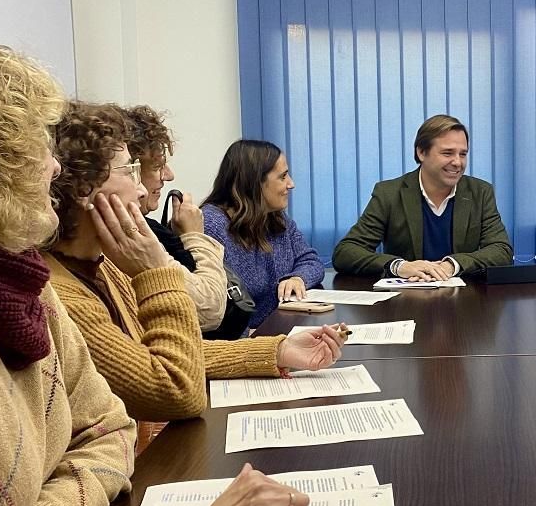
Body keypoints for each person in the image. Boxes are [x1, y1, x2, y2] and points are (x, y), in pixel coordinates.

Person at [0, 30, 311, 506]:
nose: (52, 167)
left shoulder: (26, 288)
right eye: (35, 145)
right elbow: (175, 389)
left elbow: (109, 431)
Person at [48, 103, 345, 421]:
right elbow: (176, 391)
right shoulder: (59, 293)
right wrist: (155, 272)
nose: (140, 187)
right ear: (82, 189)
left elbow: (172, 354)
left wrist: (278, 350)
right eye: (129, 170)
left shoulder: (103, 264)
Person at [332, 114, 513, 279]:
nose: (457, 162)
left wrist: (453, 265)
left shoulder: (480, 192)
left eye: (463, 154)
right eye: (447, 153)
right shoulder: (389, 193)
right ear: (421, 152)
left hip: (464, 301)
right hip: (405, 300)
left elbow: (501, 250)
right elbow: (345, 253)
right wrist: (399, 266)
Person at [122, 102, 228, 332]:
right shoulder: (133, 238)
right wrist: (194, 236)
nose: (169, 176)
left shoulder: (147, 228)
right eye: (158, 166)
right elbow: (210, 309)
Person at [202, 140, 328, 328]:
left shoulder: (275, 218)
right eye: (283, 177)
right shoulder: (212, 226)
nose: (291, 184)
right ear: (254, 182)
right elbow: (215, 307)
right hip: (245, 343)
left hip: (280, 328)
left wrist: (298, 278)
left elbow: (310, 260)